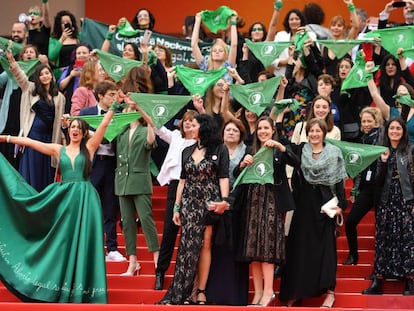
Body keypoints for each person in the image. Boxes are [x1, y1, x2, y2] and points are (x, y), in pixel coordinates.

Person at [0, 102, 117, 303]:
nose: (75, 131)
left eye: (79, 129)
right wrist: (5, 138)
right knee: (63, 243)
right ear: (67, 129)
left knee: (83, 242)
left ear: (84, 133)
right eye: (72, 128)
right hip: (65, 202)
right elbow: (29, 142)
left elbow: (105, 125)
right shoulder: (58, 149)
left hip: (86, 201)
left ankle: (82, 291)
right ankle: (57, 287)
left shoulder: (89, 148)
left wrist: (115, 104)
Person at [158, 114, 230, 305]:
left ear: (204, 127)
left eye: (194, 125)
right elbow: (182, 180)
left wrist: (224, 200)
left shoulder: (220, 149)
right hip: (189, 203)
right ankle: (184, 291)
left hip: (208, 203)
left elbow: (223, 177)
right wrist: (176, 207)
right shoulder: (187, 150)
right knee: (186, 247)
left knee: (205, 244)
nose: (190, 128)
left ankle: (201, 291)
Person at [279, 118, 348, 308]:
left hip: (324, 206)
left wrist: (341, 204)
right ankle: (296, 292)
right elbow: (286, 151)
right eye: (311, 131)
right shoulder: (302, 150)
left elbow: (339, 184)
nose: (314, 134)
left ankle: (329, 294)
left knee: (326, 251)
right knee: (299, 250)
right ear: (307, 133)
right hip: (302, 205)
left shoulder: (334, 152)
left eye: (318, 131)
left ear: (324, 133)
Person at [235, 116, 298, 306]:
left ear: (272, 130)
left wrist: (280, 147)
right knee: (253, 249)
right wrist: (242, 165)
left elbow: (296, 162)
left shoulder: (279, 149)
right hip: (253, 202)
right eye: (260, 128)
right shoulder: (250, 149)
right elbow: (236, 177)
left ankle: (269, 291)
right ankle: (258, 292)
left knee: (267, 247)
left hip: (272, 201)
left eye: (266, 128)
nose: (262, 131)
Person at [362, 117, 414, 296]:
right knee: (383, 240)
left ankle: (409, 281)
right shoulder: (381, 151)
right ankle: (378, 281)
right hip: (386, 200)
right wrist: (383, 162)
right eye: (392, 128)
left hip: (405, 200)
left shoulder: (410, 150)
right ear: (387, 131)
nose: (394, 132)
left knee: (407, 241)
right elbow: (377, 180)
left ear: (403, 131)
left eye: (398, 128)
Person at [79, 80, 126, 262]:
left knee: (110, 207)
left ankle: (112, 248)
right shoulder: (86, 113)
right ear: (100, 96)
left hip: (112, 163)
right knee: (90, 206)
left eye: (116, 95)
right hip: (93, 164)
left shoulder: (120, 114)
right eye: (111, 95)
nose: (114, 99)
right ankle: (89, 247)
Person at [206, 119, 249, 305]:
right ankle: (213, 293)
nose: (231, 132)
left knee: (234, 249)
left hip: (238, 206)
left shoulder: (247, 153)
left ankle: (234, 296)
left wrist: (230, 202)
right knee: (215, 248)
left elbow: (247, 180)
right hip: (215, 205)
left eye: (235, 130)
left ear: (241, 134)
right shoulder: (214, 151)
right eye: (228, 129)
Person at [7, 50, 65, 192]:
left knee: (47, 171)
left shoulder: (60, 97)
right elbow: (21, 78)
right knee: (32, 170)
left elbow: (59, 121)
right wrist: (13, 63)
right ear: (37, 77)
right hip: (33, 136)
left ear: (51, 75)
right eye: (41, 74)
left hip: (50, 138)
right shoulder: (31, 89)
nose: (45, 76)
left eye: (47, 73)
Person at [115, 95, 160, 276]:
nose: (129, 111)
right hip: (122, 181)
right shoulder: (122, 132)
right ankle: (132, 262)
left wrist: (138, 106)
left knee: (146, 219)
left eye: (132, 110)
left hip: (140, 181)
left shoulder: (144, 129)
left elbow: (151, 137)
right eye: (127, 109)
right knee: (127, 223)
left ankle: (157, 258)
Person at [154, 110, 198, 290]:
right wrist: (141, 107)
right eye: (186, 121)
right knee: (169, 231)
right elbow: (156, 127)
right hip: (175, 187)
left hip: (194, 187)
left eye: (192, 121)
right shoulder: (175, 137)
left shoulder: (201, 143)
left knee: (189, 234)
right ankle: (160, 272)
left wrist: (200, 109)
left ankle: (185, 277)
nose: (188, 123)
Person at [343, 107, 383, 265]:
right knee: (351, 221)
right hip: (366, 188)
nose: (366, 124)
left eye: (369, 121)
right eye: (364, 121)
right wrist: (355, 188)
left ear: (376, 121)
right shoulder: (363, 140)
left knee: (381, 227)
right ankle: (353, 255)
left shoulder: (381, 136)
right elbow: (360, 168)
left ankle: (380, 263)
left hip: (381, 188)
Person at [0, 45, 48, 170]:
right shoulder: (15, 67)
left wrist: (46, 63)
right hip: (12, 112)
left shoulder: (40, 72)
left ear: (36, 56)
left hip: (28, 114)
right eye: (26, 52)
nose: (28, 54)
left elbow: (49, 84)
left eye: (31, 52)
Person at [191, 11, 238, 84]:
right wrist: (197, 21)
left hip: (226, 95)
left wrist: (233, 22)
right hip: (210, 95)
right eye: (214, 50)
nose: (217, 52)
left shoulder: (228, 66)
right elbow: (194, 45)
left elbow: (234, 45)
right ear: (211, 54)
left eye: (221, 50)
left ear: (225, 54)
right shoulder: (205, 66)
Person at [58, 44, 92, 113]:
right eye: (78, 53)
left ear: (89, 54)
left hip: (89, 102)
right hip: (71, 102)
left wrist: (83, 74)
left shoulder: (94, 68)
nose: (81, 55)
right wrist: (71, 76)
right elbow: (61, 86)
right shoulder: (69, 68)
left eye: (84, 53)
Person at [49, 10, 80, 80]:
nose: (66, 24)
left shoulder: (78, 38)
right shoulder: (53, 40)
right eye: (63, 23)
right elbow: (51, 56)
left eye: (68, 22)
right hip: (61, 74)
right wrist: (62, 39)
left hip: (77, 72)